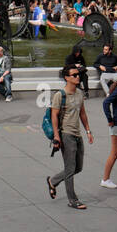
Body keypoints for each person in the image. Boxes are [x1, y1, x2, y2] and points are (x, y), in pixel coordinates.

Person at [46, 64, 94, 209]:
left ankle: (53, 181)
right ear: (66, 78)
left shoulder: (79, 93)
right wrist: (56, 136)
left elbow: (82, 113)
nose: (77, 76)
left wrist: (88, 131)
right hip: (66, 134)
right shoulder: (60, 95)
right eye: (74, 75)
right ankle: (73, 200)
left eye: (78, 74)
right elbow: (54, 116)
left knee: (78, 167)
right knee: (70, 167)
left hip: (78, 134)